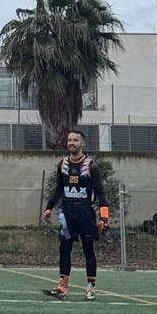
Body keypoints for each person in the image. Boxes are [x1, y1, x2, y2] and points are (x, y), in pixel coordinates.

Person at [43, 129, 109, 301]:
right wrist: (49, 207)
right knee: (64, 249)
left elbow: (101, 193)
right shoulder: (62, 165)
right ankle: (62, 288)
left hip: (85, 212)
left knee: (88, 250)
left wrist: (104, 218)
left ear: (82, 143)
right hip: (67, 213)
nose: (71, 143)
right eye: (69, 140)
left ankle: (91, 288)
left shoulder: (91, 166)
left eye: (75, 140)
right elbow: (58, 188)